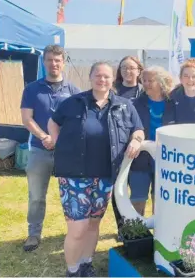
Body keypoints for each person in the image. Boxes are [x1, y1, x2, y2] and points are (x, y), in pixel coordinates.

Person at [47, 61, 145, 277]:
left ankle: (86, 264)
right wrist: (57, 143)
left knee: (93, 225)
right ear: (90, 78)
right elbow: (53, 122)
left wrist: (137, 140)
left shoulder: (124, 106)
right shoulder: (74, 102)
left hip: (105, 177)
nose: (102, 80)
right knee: (78, 229)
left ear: (113, 79)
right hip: (74, 177)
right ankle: (72, 271)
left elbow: (138, 129)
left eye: (107, 77)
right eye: (98, 76)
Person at [20, 45, 81, 252]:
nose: (53, 64)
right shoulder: (32, 89)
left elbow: (77, 121)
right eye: (49, 60)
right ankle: (34, 234)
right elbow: (27, 119)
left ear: (63, 62)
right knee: (36, 196)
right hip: (39, 149)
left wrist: (59, 138)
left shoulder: (73, 91)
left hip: (65, 152)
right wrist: (45, 136)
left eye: (57, 60)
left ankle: (75, 233)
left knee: (72, 194)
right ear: (43, 62)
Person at [131, 66, 176, 216]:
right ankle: (136, 234)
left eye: (151, 80)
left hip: (166, 159)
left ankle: (159, 232)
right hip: (141, 159)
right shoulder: (136, 104)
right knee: (138, 197)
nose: (147, 83)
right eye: (144, 80)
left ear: (162, 82)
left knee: (161, 197)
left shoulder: (174, 103)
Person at [111, 55, 144, 238]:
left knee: (137, 192)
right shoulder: (113, 91)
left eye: (132, 68)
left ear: (139, 70)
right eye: (124, 67)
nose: (128, 71)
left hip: (140, 148)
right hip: (117, 148)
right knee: (118, 190)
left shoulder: (145, 91)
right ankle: (122, 228)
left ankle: (139, 227)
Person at [170, 58, 195, 124]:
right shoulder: (173, 96)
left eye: (194, 76)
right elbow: (168, 122)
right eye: (186, 76)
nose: (190, 80)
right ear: (180, 78)